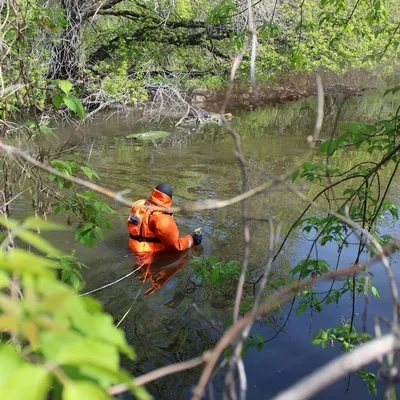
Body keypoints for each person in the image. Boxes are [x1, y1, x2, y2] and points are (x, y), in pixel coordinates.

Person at [127, 183, 202, 253]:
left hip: (133, 247)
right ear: (169, 199)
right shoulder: (161, 217)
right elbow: (175, 246)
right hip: (149, 254)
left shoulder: (139, 204)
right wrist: (192, 240)